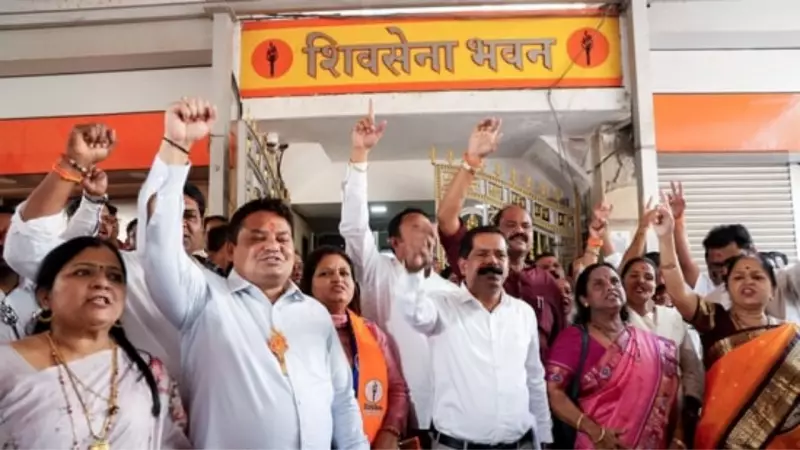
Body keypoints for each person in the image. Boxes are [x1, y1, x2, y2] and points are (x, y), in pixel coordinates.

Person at [142, 97, 367, 448]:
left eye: (282, 238)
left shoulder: (314, 313)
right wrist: (177, 146)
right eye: (258, 238)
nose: (273, 246)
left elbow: (341, 400)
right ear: (231, 250)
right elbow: (159, 245)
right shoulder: (203, 299)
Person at [2, 123, 207, 379]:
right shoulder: (116, 273)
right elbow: (27, 248)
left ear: (203, 225)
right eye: (163, 216)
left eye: (188, 216)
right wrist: (72, 165)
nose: (176, 225)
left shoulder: (222, 287)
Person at [0, 237, 189, 449]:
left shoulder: (148, 372)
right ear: (45, 297)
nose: (102, 283)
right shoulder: (6, 365)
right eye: (83, 272)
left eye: (115, 277)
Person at [339, 101, 453, 443]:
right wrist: (360, 156)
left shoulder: (450, 291)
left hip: (446, 416)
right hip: (388, 408)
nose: (427, 235)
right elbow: (354, 225)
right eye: (417, 229)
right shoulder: (378, 271)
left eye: (430, 230)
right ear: (395, 242)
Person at [653, 202, 800, 448]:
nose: (748, 282)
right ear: (727, 289)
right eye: (738, 277)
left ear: (773, 289)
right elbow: (678, 292)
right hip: (726, 438)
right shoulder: (714, 318)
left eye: (757, 277)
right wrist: (666, 237)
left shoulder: (790, 336)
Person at [400, 225, 553, 449]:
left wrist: (545, 436)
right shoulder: (441, 306)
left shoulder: (523, 313)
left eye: (500, 255)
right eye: (482, 254)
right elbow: (413, 314)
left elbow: (534, 378)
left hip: (520, 444)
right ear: (463, 265)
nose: (493, 261)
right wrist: (413, 273)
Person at [436, 117, 564, 360]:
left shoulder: (546, 281)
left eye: (526, 226)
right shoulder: (479, 264)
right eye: (511, 225)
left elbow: (560, 338)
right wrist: (472, 161)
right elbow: (446, 218)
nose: (520, 231)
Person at [546, 263, 680, 449]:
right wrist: (594, 431)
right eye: (599, 284)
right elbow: (554, 392)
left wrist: (678, 436)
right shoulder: (573, 339)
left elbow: (672, 391)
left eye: (615, 281)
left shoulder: (652, 344)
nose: (610, 287)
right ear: (585, 300)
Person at [300, 245, 410, 449]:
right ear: (309, 285)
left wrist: (390, 431)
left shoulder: (371, 333)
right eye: (325, 273)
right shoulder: (294, 330)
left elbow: (397, 388)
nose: (337, 279)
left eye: (344, 273)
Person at [621, 257, 704, 448]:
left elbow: (691, 367)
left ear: (657, 284)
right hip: (630, 413)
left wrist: (690, 407)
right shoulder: (615, 320)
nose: (641, 281)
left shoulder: (672, 317)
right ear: (622, 282)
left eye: (648, 277)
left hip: (675, 411)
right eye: (634, 276)